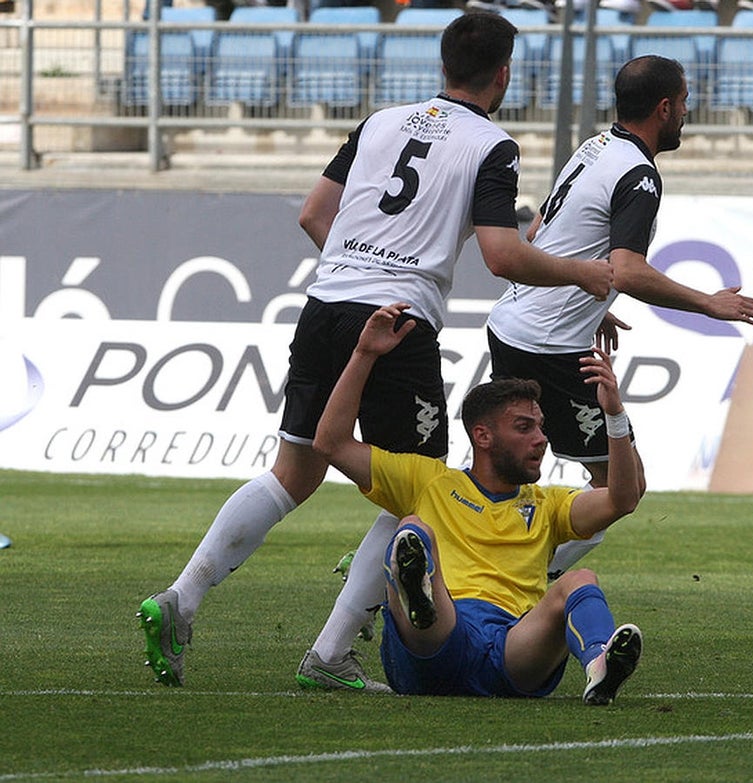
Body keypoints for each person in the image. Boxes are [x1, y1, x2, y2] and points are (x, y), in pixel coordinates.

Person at [136, 11, 614, 690]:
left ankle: (180, 599)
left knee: (291, 472)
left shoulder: (380, 121)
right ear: (504, 73)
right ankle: (330, 652)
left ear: (442, 63)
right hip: (397, 323)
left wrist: (357, 272)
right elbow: (504, 254)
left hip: (326, 302)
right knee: (419, 492)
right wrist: (583, 272)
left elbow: (313, 214)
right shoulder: (493, 145)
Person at [485, 54, 753, 578]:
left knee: (508, 469)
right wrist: (709, 303)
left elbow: (539, 232)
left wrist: (589, 304)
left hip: (514, 324)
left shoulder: (593, 148)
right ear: (664, 108)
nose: (686, 112)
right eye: (683, 102)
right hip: (549, 347)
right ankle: (516, 577)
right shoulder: (639, 174)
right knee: (624, 485)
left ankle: (427, 540)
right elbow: (629, 271)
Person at [313, 303, 645, 703]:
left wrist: (613, 414)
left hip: (512, 649)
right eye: (524, 427)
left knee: (581, 579)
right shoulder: (429, 482)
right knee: (412, 528)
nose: (541, 439)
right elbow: (331, 443)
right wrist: (364, 354)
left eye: (541, 427)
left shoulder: (549, 504)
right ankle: (420, 597)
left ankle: (600, 666)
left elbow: (623, 499)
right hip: (439, 639)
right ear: (483, 437)